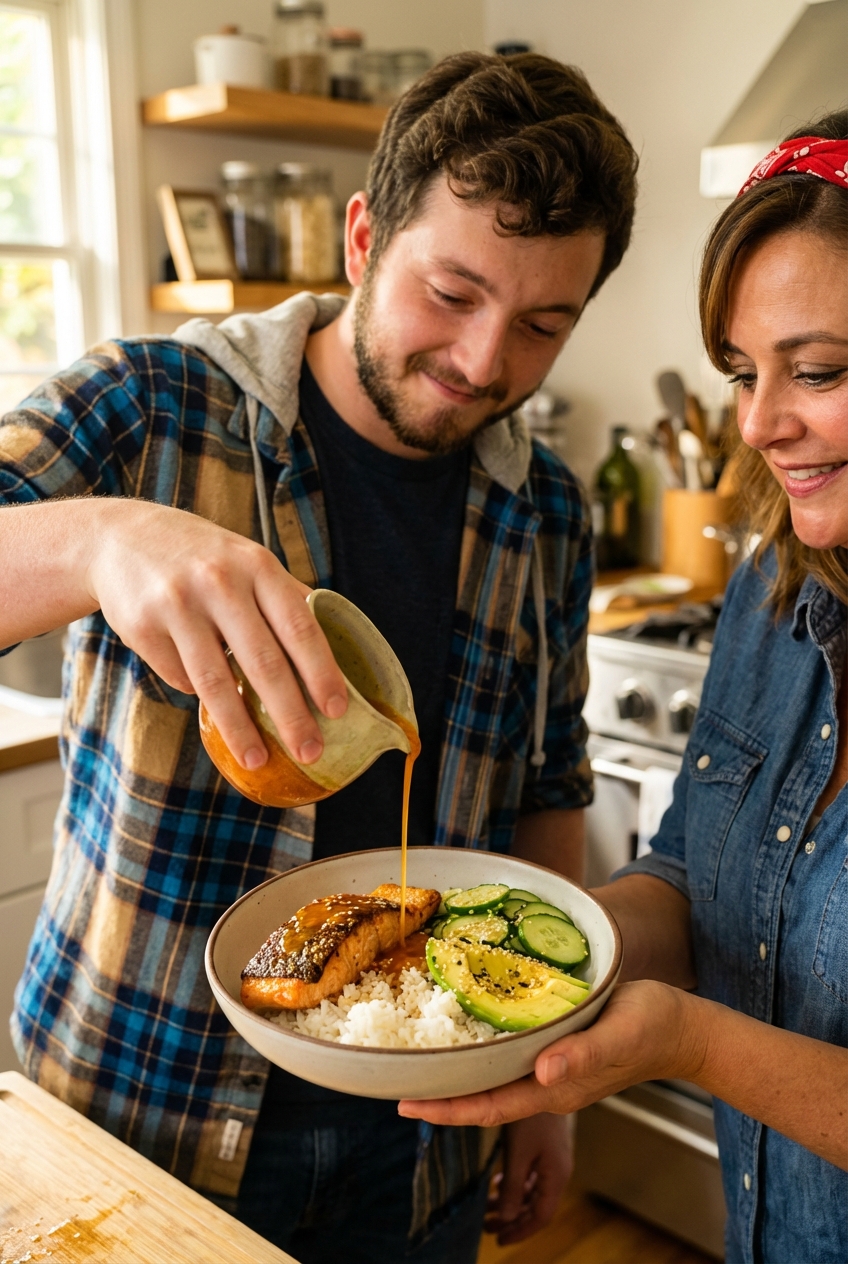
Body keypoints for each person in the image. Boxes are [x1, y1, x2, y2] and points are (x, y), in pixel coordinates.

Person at [0, 54, 639, 1261]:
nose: (482, 362)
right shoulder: (150, 409)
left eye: (542, 322)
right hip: (148, 1103)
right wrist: (98, 538)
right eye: (450, 292)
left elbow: (546, 790)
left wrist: (551, 1073)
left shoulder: (545, 506)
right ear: (360, 238)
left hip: (427, 1119)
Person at [399, 113, 848, 1264]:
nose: (757, 423)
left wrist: (690, 1044)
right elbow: (692, 872)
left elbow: (699, 1032)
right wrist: (546, 949)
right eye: (744, 374)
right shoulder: (771, 596)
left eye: (818, 371)